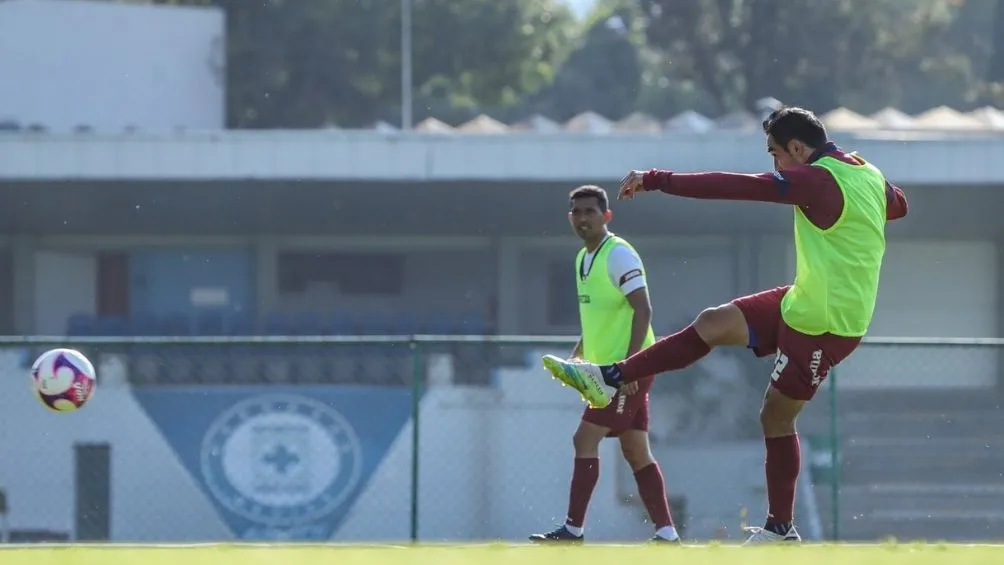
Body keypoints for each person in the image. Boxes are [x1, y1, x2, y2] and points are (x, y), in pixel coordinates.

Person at [541, 107, 909, 544]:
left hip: (828, 323)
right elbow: (898, 205)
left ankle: (779, 530)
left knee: (775, 415)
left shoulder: (817, 179)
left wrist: (659, 178)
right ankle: (610, 377)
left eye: (775, 154)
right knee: (713, 323)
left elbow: (738, 187)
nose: (774, 165)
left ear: (797, 148)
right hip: (803, 299)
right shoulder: (862, 171)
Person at [530, 185, 681, 545]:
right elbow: (597, 315)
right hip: (608, 373)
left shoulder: (619, 254)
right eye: (576, 213)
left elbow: (643, 309)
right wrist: (577, 355)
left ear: (606, 216)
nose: (582, 218)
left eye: (590, 212)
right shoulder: (583, 258)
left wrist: (630, 367)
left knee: (584, 438)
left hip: (624, 373)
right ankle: (667, 532)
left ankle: (573, 530)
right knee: (636, 451)